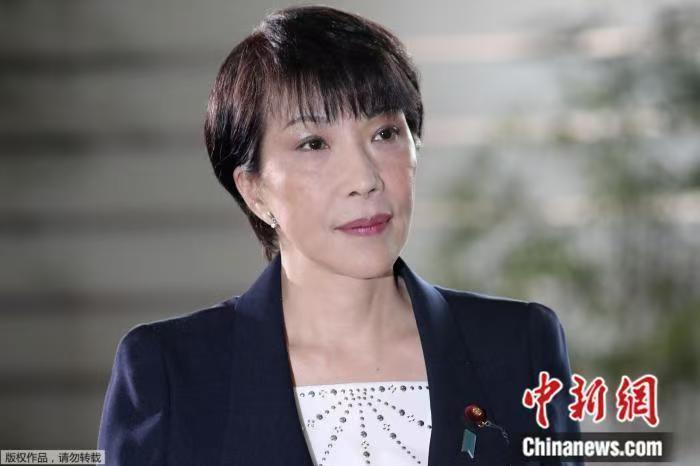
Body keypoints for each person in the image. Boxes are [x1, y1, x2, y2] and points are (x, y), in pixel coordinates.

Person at [97, 5, 581, 465]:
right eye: (313, 143)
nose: (364, 179)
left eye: (385, 134)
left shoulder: (519, 346)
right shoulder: (172, 374)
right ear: (254, 189)